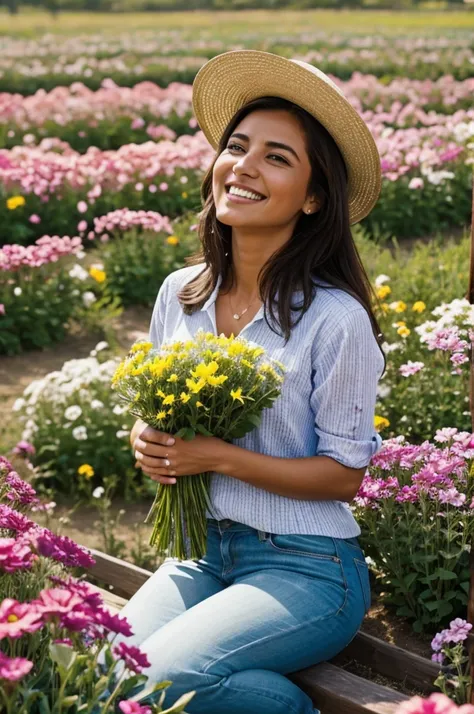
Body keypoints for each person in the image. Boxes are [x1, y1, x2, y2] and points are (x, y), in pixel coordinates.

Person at [124, 49, 386, 714]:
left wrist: (214, 456)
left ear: (314, 196)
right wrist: (150, 440)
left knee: (159, 683)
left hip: (308, 568)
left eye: (277, 157)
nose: (243, 166)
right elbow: (160, 418)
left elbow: (344, 473)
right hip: (202, 552)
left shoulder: (334, 319)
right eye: (237, 146)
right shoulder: (180, 293)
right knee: (108, 672)